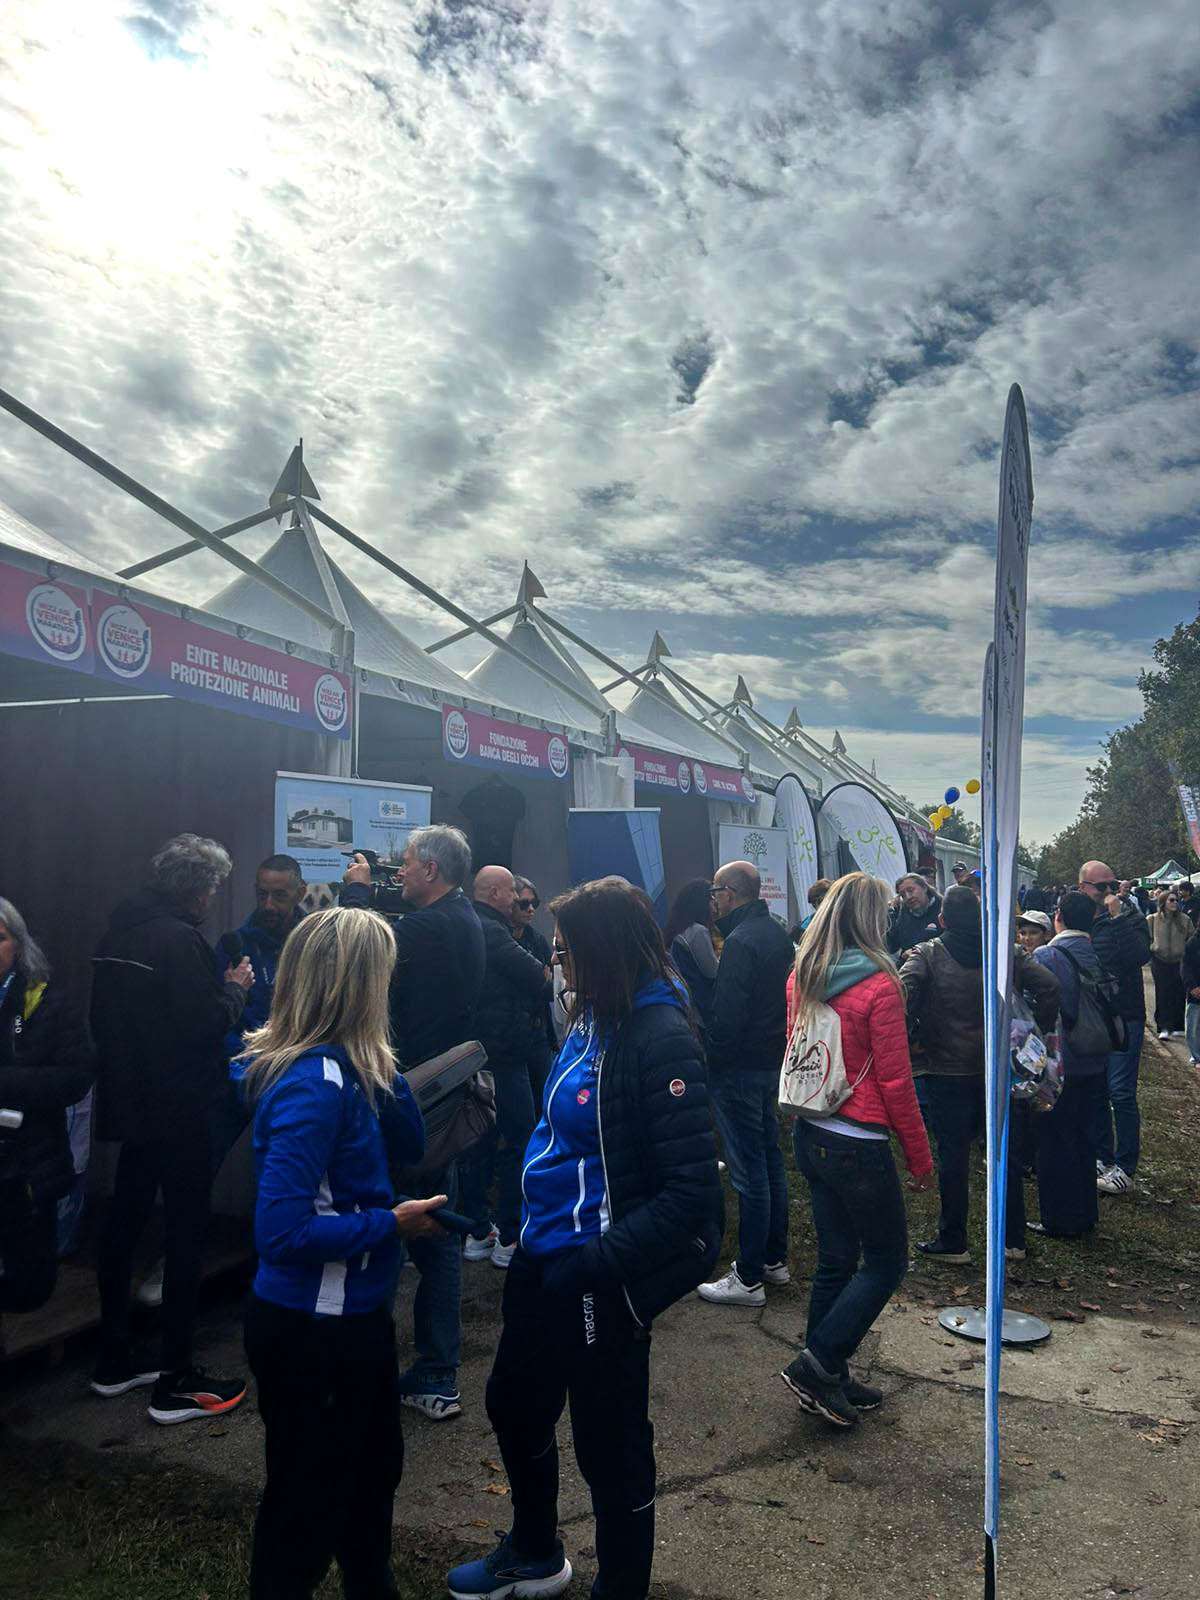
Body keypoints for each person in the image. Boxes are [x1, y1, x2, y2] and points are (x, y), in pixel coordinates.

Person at [445, 877, 722, 1600]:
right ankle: (535, 1550)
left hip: (597, 1275)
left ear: (604, 953)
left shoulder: (661, 1037)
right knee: (513, 1402)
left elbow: (693, 1197)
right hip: (544, 1260)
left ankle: (621, 1587)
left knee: (611, 1444)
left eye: (568, 953)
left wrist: (596, 1265)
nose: (558, 965)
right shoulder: (595, 1017)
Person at [237, 905, 446, 1600]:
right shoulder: (313, 1086)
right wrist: (390, 1225)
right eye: (381, 977)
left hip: (354, 1313)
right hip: (312, 1324)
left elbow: (411, 1146)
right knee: (305, 1507)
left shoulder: (350, 1070)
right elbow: (283, 1233)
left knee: (372, 1473)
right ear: (357, 983)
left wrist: (383, 1062)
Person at [90, 834, 253, 1423]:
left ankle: (114, 1358)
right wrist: (235, 990)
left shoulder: (118, 934)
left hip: (131, 1103)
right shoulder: (179, 940)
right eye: (213, 886)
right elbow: (202, 1022)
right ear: (198, 889)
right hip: (182, 1105)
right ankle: (176, 1377)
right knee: (187, 1234)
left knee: (124, 1223)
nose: (214, 897)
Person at [778, 873, 933, 1428]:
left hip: (813, 1128)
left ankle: (829, 1369)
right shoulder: (880, 983)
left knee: (837, 1259)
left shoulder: (804, 974)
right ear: (873, 917)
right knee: (887, 1260)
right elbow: (895, 1082)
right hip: (859, 1141)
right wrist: (919, 1154)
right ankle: (818, 1364)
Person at [342, 825, 485, 1422]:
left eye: (403, 864)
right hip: (436, 1090)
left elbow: (354, 957)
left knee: (418, 1230)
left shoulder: (427, 928)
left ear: (430, 870)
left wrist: (353, 899)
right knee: (432, 1226)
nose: (395, 873)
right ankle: (434, 1369)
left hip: (412, 1095)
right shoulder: (460, 916)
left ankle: (429, 1370)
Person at [137, 853, 309, 1312]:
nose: (269, 904)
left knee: (288, 1176)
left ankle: (282, 1271)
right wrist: (239, 1058)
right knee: (196, 1165)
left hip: (295, 1080)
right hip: (240, 1075)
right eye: (262, 894)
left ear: (300, 893)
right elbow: (217, 1012)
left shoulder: (316, 942)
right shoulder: (235, 944)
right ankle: (173, 1262)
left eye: (279, 894)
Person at [900, 886, 1059, 1265]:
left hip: (946, 1069)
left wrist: (913, 1033)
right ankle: (1012, 1239)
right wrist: (1033, 1029)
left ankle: (954, 1241)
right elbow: (1050, 986)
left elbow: (899, 995)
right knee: (1003, 1154)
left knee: (953, 1157)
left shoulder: (927, 954)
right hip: (997, 1069)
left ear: (941, 920)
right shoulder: (1004, 953)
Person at [697, 860, 795, 1307]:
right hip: (770, 1065)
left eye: (715, 892)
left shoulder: (739, 941)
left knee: (749, 1171)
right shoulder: (777, 932)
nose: (713, 901)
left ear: (730, 893)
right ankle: (773, 1259)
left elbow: (729, 1016)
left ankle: (749, 1275)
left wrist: (712, 1062)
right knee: (770, 1160)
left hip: (738, 1070)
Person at [0, 899, 93, 1314]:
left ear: (18, 946)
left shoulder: (48, 1002)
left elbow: (76, 1077)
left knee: (29, 1289)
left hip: (26, 1166)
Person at [461, 866, 551, 1270]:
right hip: (505, 1054)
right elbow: (541, 979)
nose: (519, 899)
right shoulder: (492, 931)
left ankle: (477, 1229)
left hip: (476, 1051)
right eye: (515, 891)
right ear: (497, 893)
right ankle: (510, 1235)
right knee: (520, 1139)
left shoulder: (466, 923)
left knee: (478, 1141)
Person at [1030, 892, 1110, 1238]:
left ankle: (1059, 1218)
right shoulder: (1097, 952)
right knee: (1083, 1138)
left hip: (1062, 1062)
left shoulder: (1047, 955)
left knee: (1053, 1140)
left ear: (1058, 915)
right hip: (1097, 1056)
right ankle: (1085, 1214)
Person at [1079, 860, 1151, 1196]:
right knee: (1096, 1088)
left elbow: (1139, 955)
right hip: (1093, 1014)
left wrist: (1119, 916)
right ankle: (1101, 1156)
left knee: (1121, 1092)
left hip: (1126, 1013)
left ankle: (1125, 1166)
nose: (1108, 891)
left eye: (1113, 884)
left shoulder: (1129, 916)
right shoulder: (1081, 915)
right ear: (1084, 888)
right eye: (1101, 887)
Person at [512, 874, 555, 1105]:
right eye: (524, 904)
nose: (530, 909)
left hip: (539, 1032)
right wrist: (538, 979)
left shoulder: (537, 941)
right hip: (512, 1037)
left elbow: (551, 986)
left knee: (546, 1098)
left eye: (534, 904)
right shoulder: (498, 940)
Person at [663, 878, 719, 1029]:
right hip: (701, 1009)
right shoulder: (698, 932)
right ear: (702, 903)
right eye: (713, 901)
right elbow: (713, 971)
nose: (716, 908)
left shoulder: (678, 930)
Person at [1148, 888, 1190, 1039]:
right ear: (1163, 902)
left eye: (1176, 900)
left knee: (1179, 993)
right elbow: (1148, 937)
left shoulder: (1185, 920)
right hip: (1160, 960)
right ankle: (1164, 1026)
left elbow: (1190, 939)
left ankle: (1178, 1025)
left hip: (1179, 961)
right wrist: (1153, 948)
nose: (1175, 903)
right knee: (1163, 993)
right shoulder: (1152, 919)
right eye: (1171, 900)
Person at [885, 873, 943, 959]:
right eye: (903, 895)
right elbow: (891, 946)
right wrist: (891, 913)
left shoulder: (943, 909)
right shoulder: (903, 915)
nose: (908, 897)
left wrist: (918, 951)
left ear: (924, 888)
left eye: (911, 890)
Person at [1182, 923, 1200, 1069]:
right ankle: (1196, 1056)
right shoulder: (1193, 943)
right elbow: (1185, 967)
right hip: (1196, 992)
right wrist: (1193, 986)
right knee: (1192, 1027)